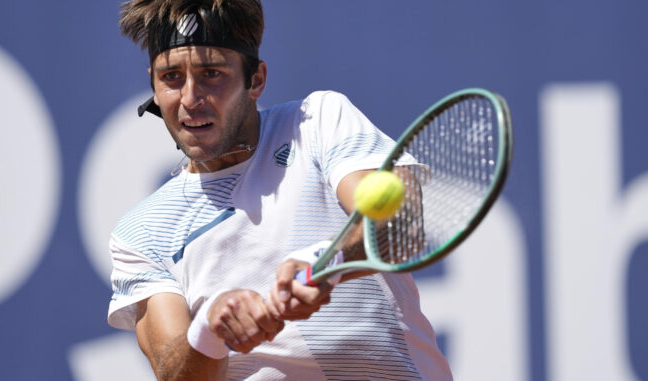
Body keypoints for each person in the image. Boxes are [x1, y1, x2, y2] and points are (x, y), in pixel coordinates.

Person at [107, 0, 452, 380]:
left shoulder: (316, 122)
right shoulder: (141, 233)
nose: (190, 98)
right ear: (154, 88)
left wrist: (325, 262)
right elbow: (175, 375)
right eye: (171, 77)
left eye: (211, 73)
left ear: (256, 80)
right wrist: (209, 327)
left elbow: (401, 225)